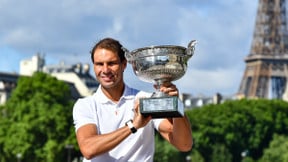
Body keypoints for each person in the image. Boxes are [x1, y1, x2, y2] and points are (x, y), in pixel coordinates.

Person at [73, 37, 193, 162]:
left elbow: (184, 145)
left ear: (124, 64)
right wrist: (133, 126)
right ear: (93, 66)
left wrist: (175, 105)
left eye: (111, 63)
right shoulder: (85, 105)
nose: (105, 70)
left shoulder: (145, 99)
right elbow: (88, 149)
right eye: (99, 64)